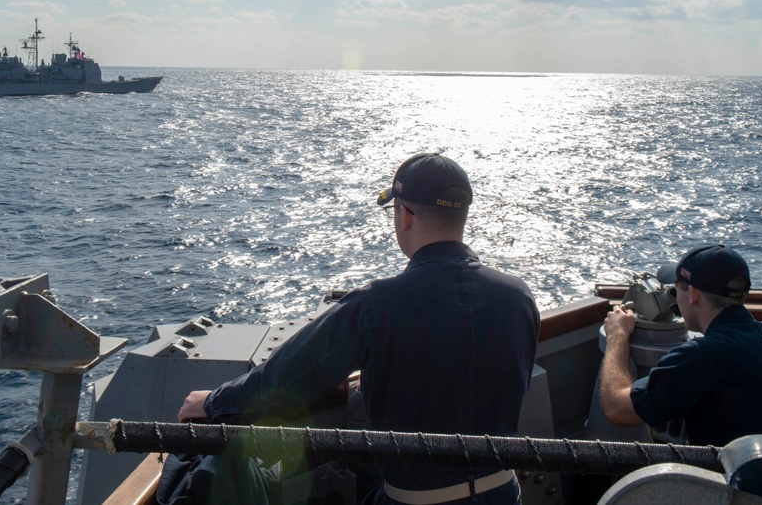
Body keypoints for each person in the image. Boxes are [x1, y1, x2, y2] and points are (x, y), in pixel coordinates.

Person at [178, 153, 541, 504]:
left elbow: (284, 381)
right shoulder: (518, 297)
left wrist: (212, 403)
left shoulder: (375, 305)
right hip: (505, 493)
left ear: (406, 216)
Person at [600, 244, 762, 447]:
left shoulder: (701, 358)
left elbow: (618, 408)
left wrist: (617, 336)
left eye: (678, 290)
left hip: (741, 489)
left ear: (694, 295)